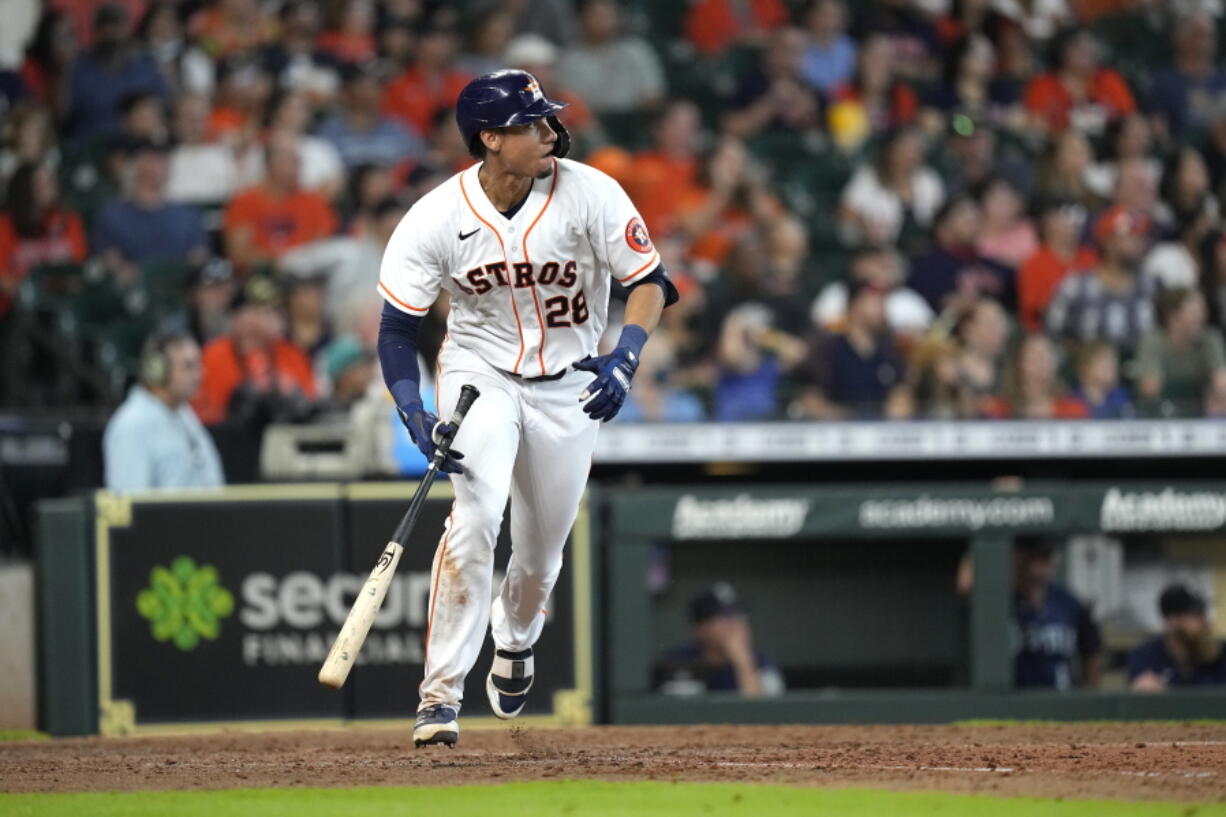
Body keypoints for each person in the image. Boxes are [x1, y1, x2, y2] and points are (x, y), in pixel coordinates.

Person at [376, 70, 676, 748]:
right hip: (480, 374)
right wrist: (410, 406)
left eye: (547, 120)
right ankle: (440, 695)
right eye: (531, 124)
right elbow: (397, 330)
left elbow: (650, 284)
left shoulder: (591, 192)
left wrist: (626, 353)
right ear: (489, 138)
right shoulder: (435, 217)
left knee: (540, 554)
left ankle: (515, 639)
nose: (549, 132)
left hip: (570, 379)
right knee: (476, 516)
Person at [103, 330, 224, 492]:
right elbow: (131, 503)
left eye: (198, 365)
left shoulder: (184, 413)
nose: (199, 375)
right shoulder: (131, 426)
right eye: (188, 366)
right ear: (156, 370)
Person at [1045, 204, 1158, 352]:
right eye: (1131, 236)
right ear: (1108, 242)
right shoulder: (1075, 287)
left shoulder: (1151, 286)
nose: (1139, 244)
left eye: (1141, 237)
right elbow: (1050, 335)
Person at [656, 583, 785, 697]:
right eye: (723, 617)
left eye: (737, 614)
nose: (734, 623)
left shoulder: (761, 663)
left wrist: (743, 662)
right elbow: (683, 716)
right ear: (700, 628)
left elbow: (764, 716)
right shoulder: (679, 662)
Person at [1012, 538, 1102, 690]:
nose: (1038, 565)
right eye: (1032, 557)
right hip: (1018, 701)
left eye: (1045, 557)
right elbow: (966, 585)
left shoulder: (1067, 602)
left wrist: (1088, 697)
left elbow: (1092, 650)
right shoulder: (1004, 602)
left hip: (1061, 699)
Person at [1129, 584, 1226, 690]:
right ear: (1172, 621)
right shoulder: (1146, 656)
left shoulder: (1220, 653)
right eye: (1195, 615)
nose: (1204, 622)